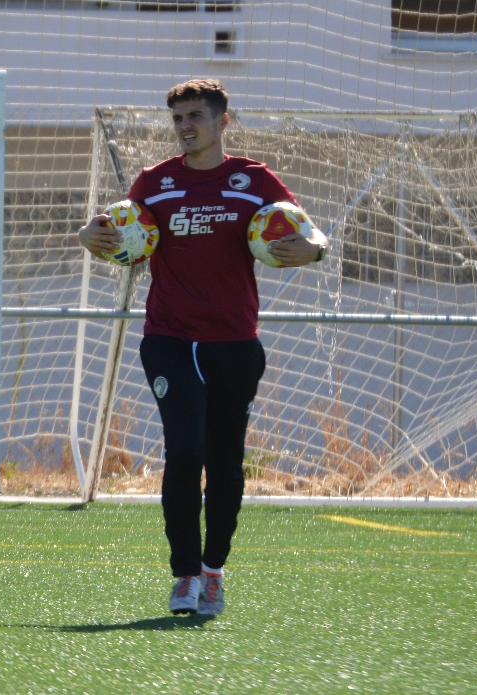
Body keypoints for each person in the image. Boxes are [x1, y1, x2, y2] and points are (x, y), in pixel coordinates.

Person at [78, 78, 325, 618]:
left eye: (195, 116)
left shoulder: (253, 180)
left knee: (225, 463)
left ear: (222, 122)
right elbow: (111, 227)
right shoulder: (156, 182)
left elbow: (311, 234)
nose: (186, 127)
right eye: (178, 119)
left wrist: (312, 251)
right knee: (184, 452)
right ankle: (185, 575)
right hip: (168, 338)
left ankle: (214, 570)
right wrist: (88, 236)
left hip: (235, 342)